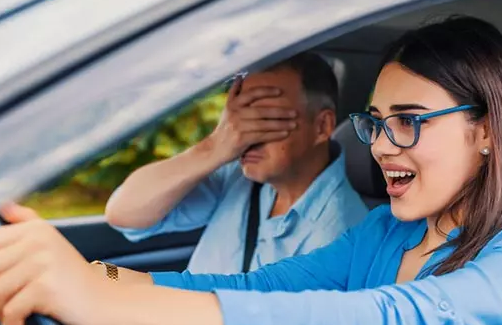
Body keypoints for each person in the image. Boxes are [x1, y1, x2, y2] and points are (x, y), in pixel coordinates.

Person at [0, 16, 502, 325]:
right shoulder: (386, 235)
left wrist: (102, 304)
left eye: (408, 123)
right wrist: (95, 277)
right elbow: (249, 288)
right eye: (376, 123)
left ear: (486, 131)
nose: (379, 146)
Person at [104, 52, 368, 276]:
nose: (243, 137)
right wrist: (212, 148)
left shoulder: (341, 236)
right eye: (238, 117)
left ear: (322, 126)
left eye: (262, 119)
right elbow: (124, 215)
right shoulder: (239, 178)